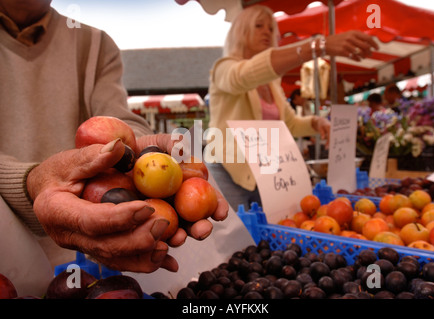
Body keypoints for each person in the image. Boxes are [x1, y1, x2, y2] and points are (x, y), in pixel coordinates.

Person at [0, 0, 228, 274]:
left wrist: (141, 153)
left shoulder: (93, 43)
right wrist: (30, 183)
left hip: (92, 247)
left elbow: (120, 120)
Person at [206, 5, 379, 212]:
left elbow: (291, 125)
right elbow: (243, 76)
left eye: (271, 28)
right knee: (237, 237)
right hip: (229, 169)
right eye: (258, 26)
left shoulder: (271, 83)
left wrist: (317, 122)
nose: (266, 32)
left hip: (265, 173)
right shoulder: (223, 68)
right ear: (240, 31)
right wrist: (316, 47)